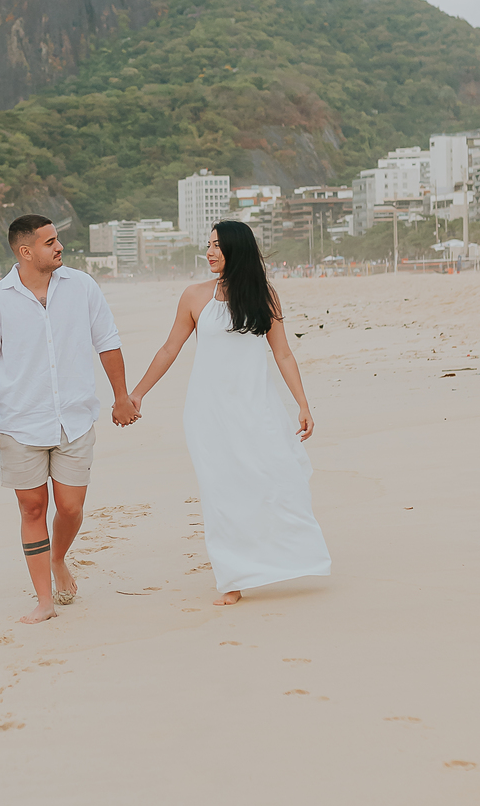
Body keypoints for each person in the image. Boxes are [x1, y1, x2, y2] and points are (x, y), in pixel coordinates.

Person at [130, 219, 330, 605]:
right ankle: (232, 578)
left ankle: (285, 557)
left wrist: (303, 404)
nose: (210, 252)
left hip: (258, 408)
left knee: (276, 480)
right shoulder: (194, 296)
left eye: (218, 245)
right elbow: (169, 349)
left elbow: (283, 352)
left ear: (237, 249)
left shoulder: (263, 296)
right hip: (209, 414)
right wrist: (137, 393)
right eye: (208, 245)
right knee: (221, 492)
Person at [0, 214, 139, 624]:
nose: (59, 246)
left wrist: (121, 398)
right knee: (32, 509)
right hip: (21, 423)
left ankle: (58, 557)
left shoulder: (82, 287)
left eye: (57, 239)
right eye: (49, 242)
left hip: (75, 418)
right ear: (26, 252)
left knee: (70, 506)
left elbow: (108, 342)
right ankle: (44, 600)